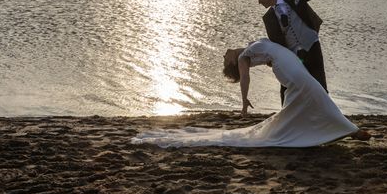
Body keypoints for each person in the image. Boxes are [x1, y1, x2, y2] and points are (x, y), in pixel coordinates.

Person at [131, 39, 369, 148]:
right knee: (311, 104)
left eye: (224, 57)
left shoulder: (250, 50)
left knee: (315, 102)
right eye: (227, 59)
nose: (225, 54)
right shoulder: (245, 56)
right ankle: (349, 131)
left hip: (296, 72)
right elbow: (245, 76)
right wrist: (244, 102)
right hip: (294, 76)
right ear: (235, 61)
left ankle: (348, 131)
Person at [255, 0, 359, 103]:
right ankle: (287, 118)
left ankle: (326, 116)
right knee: (286, 88)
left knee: (320, 85)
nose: (259, 1)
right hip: (293, 55)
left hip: (312, 45)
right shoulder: (268, 18)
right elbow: (275, 44)